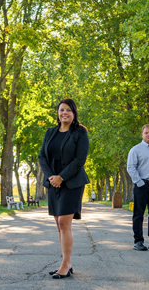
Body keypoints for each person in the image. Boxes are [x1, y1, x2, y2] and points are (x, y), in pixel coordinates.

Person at [39, 99, 90, 279]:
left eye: (69, 110)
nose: (65, 113)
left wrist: (62, 177)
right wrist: (52, 177)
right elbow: (42, 156)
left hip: (72, 183)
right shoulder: (50, 132)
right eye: (62, 110)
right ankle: (65, 262)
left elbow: (79, 160)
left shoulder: (80, 133)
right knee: (58, 225)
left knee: (63, 223)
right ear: (58, 113)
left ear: (74, 113)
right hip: (53, 183)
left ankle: (65, 264)